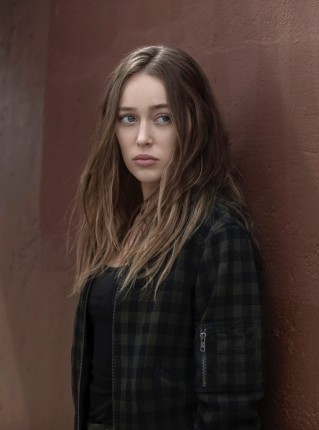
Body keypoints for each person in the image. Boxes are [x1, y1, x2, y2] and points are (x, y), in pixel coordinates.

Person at [70, 45, 264, 430]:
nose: (142, 137)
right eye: (128, 118)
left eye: (163, 118)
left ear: (193, 124)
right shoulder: (122, 226)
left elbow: (229, 406)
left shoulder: (216, 235)